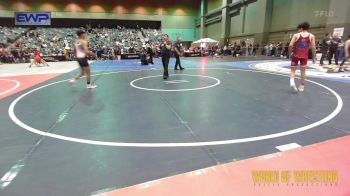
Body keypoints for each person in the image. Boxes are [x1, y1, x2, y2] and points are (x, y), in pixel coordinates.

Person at [288, 22, 316, 92]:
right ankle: (302, 86)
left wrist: (289, 54)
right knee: (303, 71)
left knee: (292, 70)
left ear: (301, 28)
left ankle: (292, 82)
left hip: (295, 55)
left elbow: (290, 45)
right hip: (304, 56)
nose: (298, 30)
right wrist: (314, 57)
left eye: (298, 29)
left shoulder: (296, 35)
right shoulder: (311, 36)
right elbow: (313, 47)